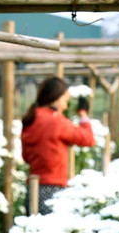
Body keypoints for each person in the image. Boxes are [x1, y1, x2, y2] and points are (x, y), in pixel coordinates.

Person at [20, 77, 95, 215]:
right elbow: (88, 139)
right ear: (56, 98)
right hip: (53, 189)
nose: (65, 106)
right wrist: (83, 115)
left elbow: (26, 157)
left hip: (33, 189)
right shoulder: (55, 121)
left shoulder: (31, 118)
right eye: (65, 100)